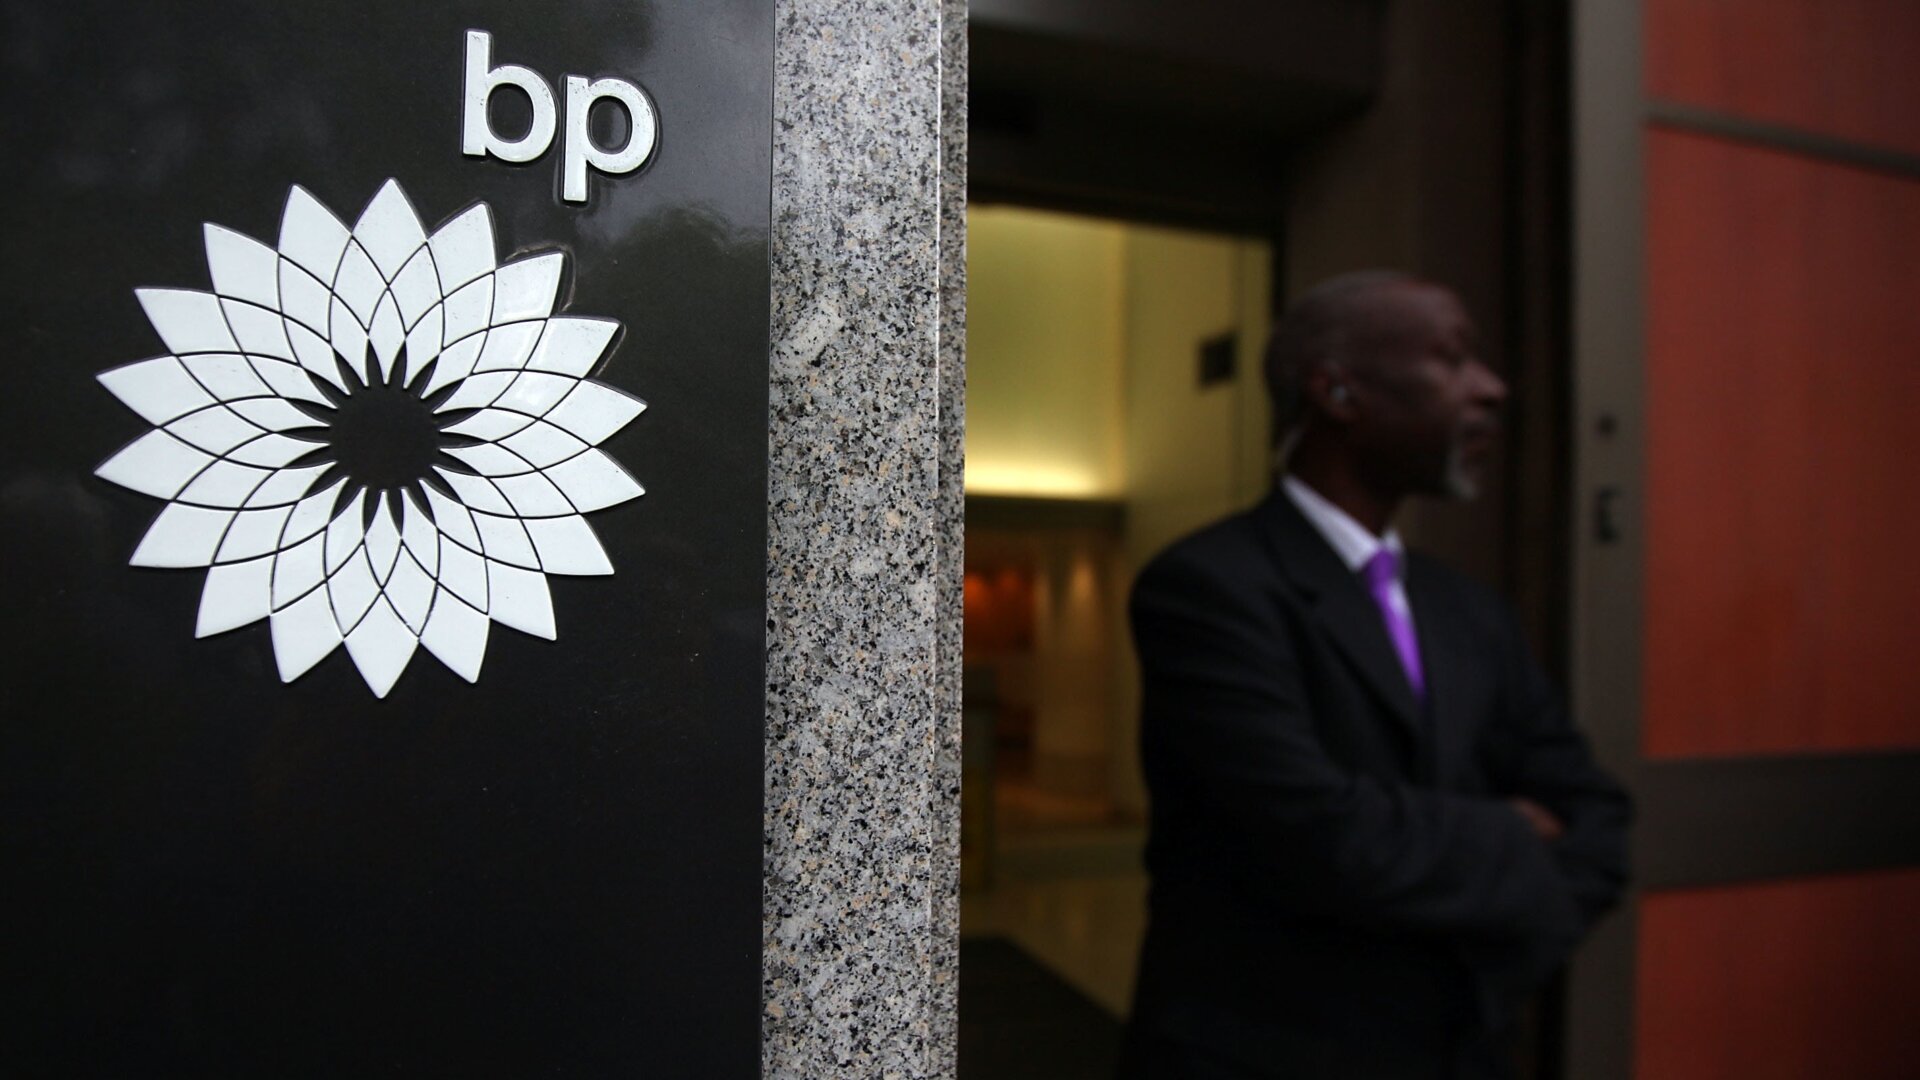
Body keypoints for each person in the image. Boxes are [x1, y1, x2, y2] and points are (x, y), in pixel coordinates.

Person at [1118, 272, 1630, 1079]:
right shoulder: (1209, 586)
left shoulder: (1469, 609)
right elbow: (1316, 838)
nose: (1491, 389)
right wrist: (1515, 832)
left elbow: (1597, 820)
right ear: (1339, 391)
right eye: (1452, 359)